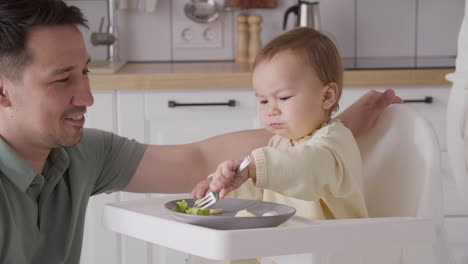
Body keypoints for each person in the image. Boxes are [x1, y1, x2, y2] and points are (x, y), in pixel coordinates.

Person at [0, 1, 402, 263]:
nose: (87, 96)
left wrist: (328, 127)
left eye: (85, 71)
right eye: (61, 80)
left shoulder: (83, 153)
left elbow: (200, 159)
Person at [194, 27, 369, 220]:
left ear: (326, 96)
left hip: (333, 247)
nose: (271, 110)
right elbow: (257, 188)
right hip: (288, 245)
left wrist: (255, 166)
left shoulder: (335, 141)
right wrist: (220, 187)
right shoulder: (279, 143)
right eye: (263, 101)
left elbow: (308, 168)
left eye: (284, 97)